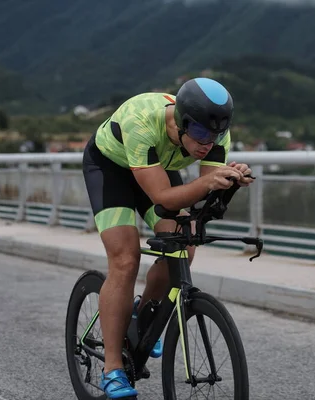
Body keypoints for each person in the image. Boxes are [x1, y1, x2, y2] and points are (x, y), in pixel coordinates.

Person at [82, 77, 254, 399]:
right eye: (201, 133)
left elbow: (204, 196)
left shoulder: (214, 133)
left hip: (154, 166)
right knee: (126, 259)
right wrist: (209, 182)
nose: (208, 143)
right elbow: (163, 197)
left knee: (184, 249)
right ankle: (112, 368)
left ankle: (141, 314)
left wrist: (228, 182)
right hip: (111, 169)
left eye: (215, 134)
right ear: (180, 122)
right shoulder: (142, 122)